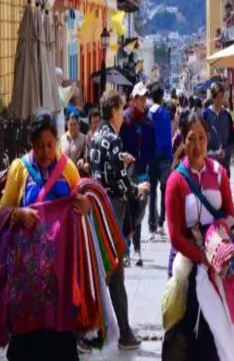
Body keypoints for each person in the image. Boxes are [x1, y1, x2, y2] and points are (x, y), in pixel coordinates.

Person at [0, 112, 91, 360]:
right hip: (27, 280)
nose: (46, 152)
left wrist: (84, 206)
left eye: (50, 145)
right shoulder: (20, 169)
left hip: (60, 276)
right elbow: (1, 212)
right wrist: (18, 213)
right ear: (32, 144)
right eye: (40, 146)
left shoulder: (67, 169)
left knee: (60, 340)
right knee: (27, 342)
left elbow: (83, 201)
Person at [162, 110, 234, 359]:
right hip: (187, 269)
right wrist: (202, 258)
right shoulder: (176, 181)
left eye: (202, 138)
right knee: (185, 341)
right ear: (183, 141)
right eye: (191, 138)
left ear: (209, 139)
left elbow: (230, 218)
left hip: (215, 271)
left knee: (212, 338)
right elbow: (175, 236)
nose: (196, 145)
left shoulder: (219, 174)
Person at [90, 90, 150, 351]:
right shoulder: (113, 139)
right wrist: (139, 189)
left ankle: (110, 330)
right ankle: (117, 332)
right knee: (113, 273)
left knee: (107, 274)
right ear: (114, 109)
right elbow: (120, 183)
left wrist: (120, 161)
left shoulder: (96, 137)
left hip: (98, 210)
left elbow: (104, 171)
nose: (124, 114)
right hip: (112, 212)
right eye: (121, 109)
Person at [120, 82, 155, 266]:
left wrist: (147, 160)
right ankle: (126, 249)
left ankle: (137, 248)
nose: (143, 101)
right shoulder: (125, 120)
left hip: (142, 171)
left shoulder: (149, 122)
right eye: (140, 98)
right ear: (133, 100)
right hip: (128, 172)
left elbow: (152, 146)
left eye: (145, 98)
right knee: (127, 210)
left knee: (140, 210)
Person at [148, 83, 172, 236]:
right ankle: (162, 222)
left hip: (151, 157)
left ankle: (152, 224)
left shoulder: (148, 114)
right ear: (162, 97)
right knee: (164, 190)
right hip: (164, 157)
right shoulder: (165, 113)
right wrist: (170, 158)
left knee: (152, 192)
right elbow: (168, 138)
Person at [202, 82, 234, 175]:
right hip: (209, 164)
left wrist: (226, 151)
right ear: (213, 97)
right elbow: (202, 138)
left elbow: (232, 139)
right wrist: (211, 154)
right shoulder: (206, 115)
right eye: (218, 97)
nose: (220, 100)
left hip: (224, 164)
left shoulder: (227, 115)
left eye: (222, 97)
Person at [80, 108, 101, 176]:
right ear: (90, 123)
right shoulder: (87, 137)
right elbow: (86, 154)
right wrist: (85, 162)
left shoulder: (104, 136)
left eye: (97, 122)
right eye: (93, 122)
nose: (96, 125)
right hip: (92, 172)